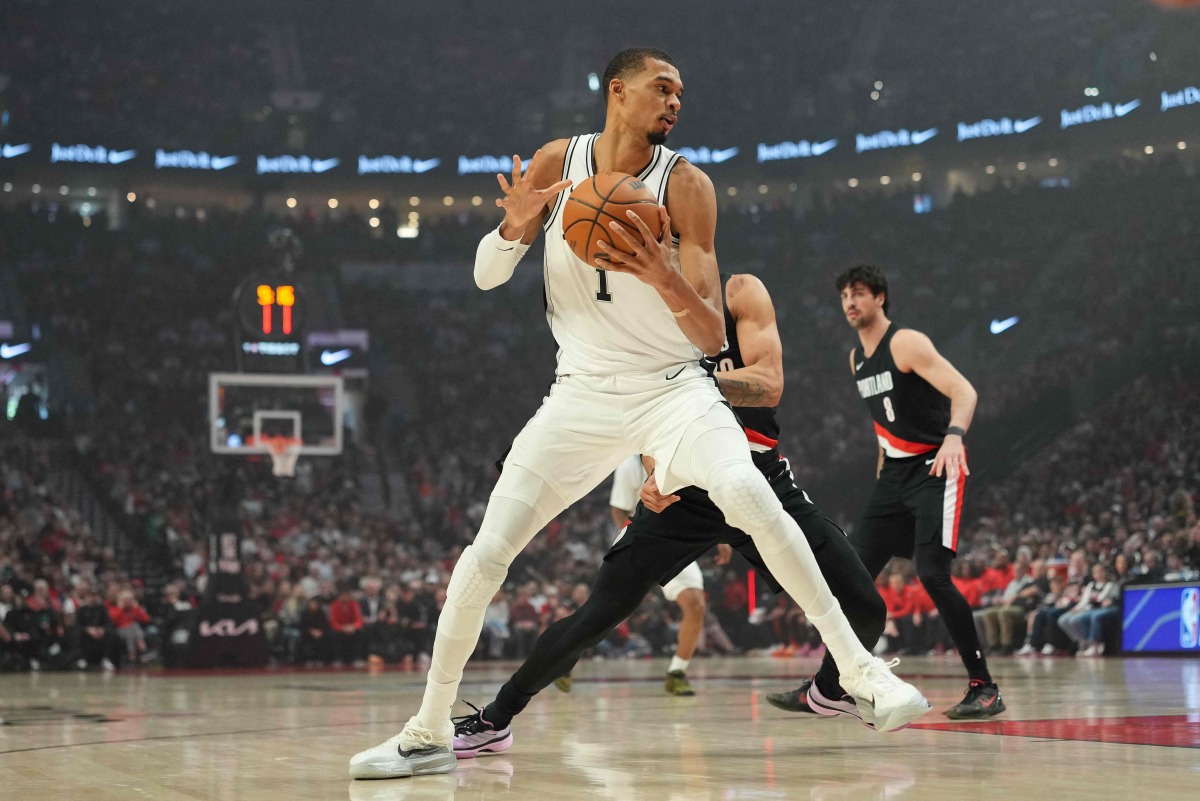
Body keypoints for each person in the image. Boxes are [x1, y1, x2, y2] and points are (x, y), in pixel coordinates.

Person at [349, 48, 929, 781]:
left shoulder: (686, 185)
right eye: (662, 88)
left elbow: (713, 337)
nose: (675, 101)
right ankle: (429, 728)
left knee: (749, 490)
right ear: (616, 92)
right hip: (579, 393)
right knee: (487, 550)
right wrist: (512, 230)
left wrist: (662, 272)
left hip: (672, 390)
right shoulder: (558, 163)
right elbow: (487, 275)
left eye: (682, 92)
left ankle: (862, 672)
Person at [449, 271, 909, 761]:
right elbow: (633, 413)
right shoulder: (638, 312)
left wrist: (683, 388)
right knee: (597, 615)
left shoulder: (740, 293)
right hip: (683, 491)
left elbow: (768, 385)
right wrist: (653, 465)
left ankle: (828, 689)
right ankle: (495, 719)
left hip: (757, 473)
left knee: (866, 606)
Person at [772, 265, 1004, 720]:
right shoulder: (857, 359)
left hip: (937, 464)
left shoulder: (906, 342)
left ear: (880, 298)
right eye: (843, 296)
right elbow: (884, 420)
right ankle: (828, 686)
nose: (849, 303)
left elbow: (964, 390)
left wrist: (955, 436)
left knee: (932, 575)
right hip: (893, 475)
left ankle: (985, 687)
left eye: (858, 293)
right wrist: (883, 468)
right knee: (849, 576)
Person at [608, 453, 728, 695]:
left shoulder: (684, 453)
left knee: (695, 604)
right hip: (639, 542)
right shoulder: (629, 465)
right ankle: (564, 660)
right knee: (605, 612)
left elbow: (704, 501)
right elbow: (618, 510)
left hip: (674, 542)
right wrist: (633, 535)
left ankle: (676, 672)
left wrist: (723, 536)